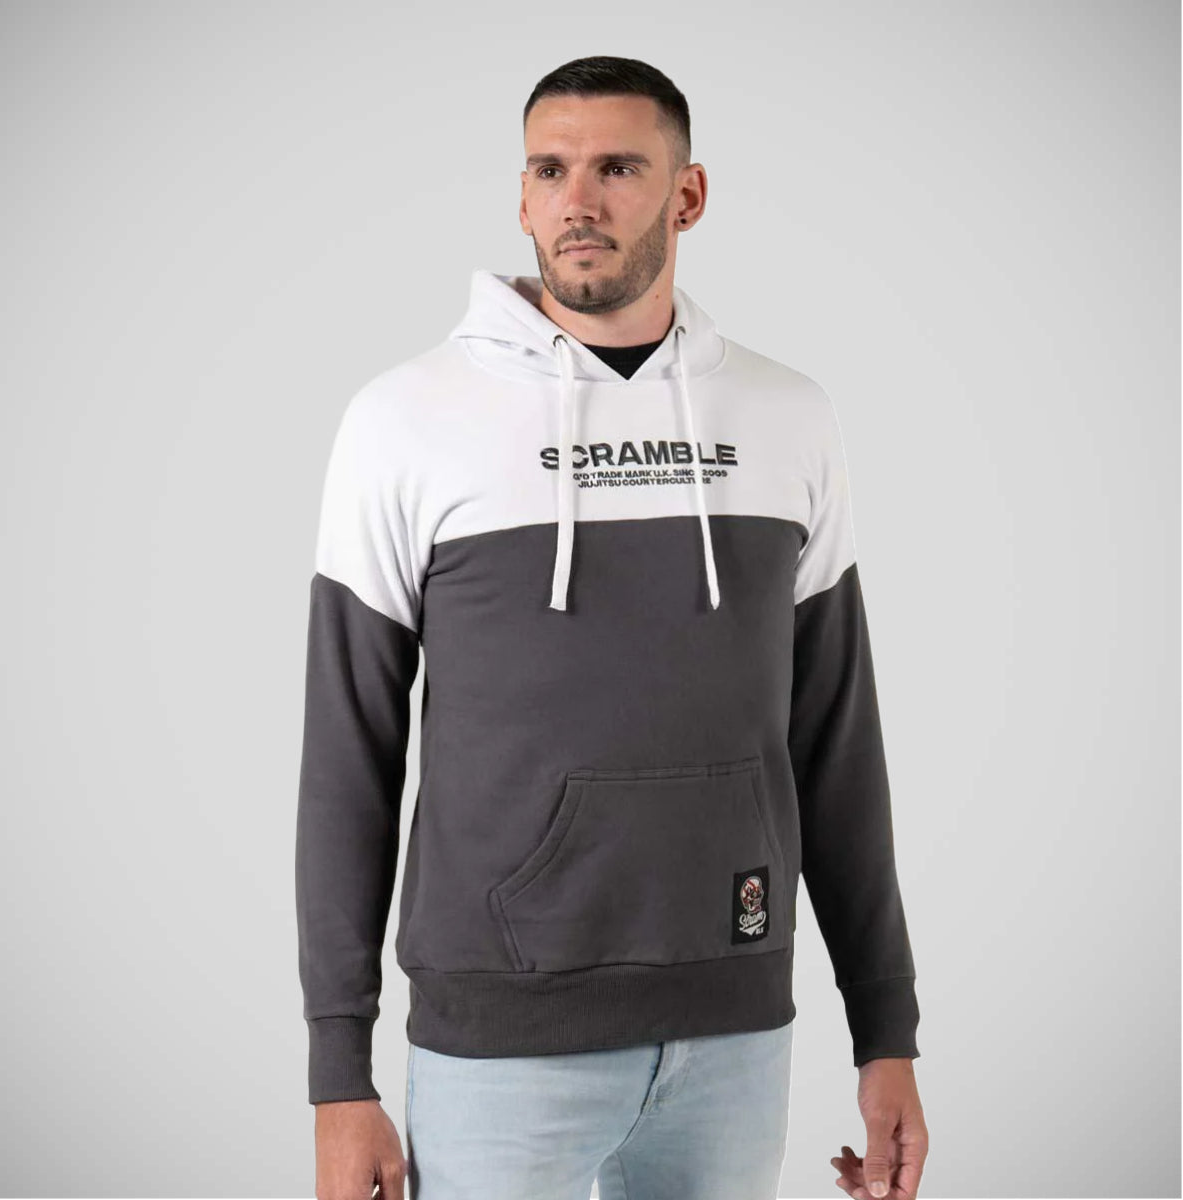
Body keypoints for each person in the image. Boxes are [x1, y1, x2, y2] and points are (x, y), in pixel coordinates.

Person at [295, 54, 928, 1200]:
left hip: (736, 1030)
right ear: (522, 197)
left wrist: (886, 1033)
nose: (578, 200)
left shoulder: (786, 417)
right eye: (551, 170)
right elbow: (349, 757)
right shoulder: (407, 422)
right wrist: (340, 1072)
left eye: (618, 169)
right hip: (501, 1042)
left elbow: (837, 742)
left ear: (688, 195)